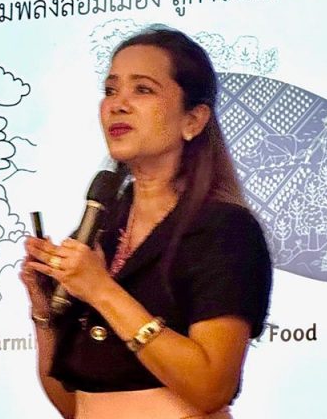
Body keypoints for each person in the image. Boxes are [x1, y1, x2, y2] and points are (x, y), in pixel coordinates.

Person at [21, 25, 272, 419]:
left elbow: (211, 388)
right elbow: (72, 403)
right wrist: (43, 310)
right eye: (110, 90)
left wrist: (101, 290)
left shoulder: (224, 231)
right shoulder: (98, 235)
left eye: (142, 89)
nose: (117, 105)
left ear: (194, 119)